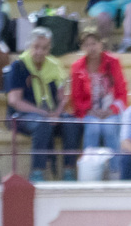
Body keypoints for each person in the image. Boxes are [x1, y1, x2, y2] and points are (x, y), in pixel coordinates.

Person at [6, 27, 82, 183]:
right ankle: (37, 172)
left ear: (49, 48)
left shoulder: (54, 65)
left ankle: (69, 171)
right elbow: (15, 100)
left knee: (72, 122)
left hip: (50, 114)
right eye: (36, 47)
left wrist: (57, 113)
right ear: (29, 46)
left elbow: (63, 97)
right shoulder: (19, 66)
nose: (39, 52)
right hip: (23, 115)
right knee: (42, 123)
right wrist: (43, 113)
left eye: (44, 48)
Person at [69, 29, 128, 162]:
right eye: (87, 45)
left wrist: (111, 110)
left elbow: (121, 92)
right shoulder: (77, 67)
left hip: (112, 110)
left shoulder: (113, 62)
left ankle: (116, 172)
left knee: (109, 128)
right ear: (83, 47)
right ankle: (89, 171)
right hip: (89, 111)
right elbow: (76, 97)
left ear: (101, 44)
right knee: (93, 128)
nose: (91, 48)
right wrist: (91, 111)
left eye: (94, 43)